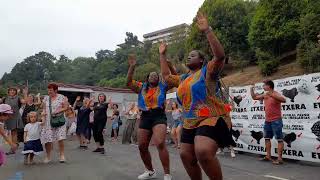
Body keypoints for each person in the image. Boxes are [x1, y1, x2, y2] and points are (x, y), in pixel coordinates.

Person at [160, 12, 233, 180]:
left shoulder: (207, 71)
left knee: (203, 151)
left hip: (211, 117)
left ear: (201, 60)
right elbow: (166, 77)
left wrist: (207, 30)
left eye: (193, 55)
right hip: (189, 122)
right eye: (188, 55)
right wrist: (162, 55)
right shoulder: (184, 79)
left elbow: (220, 56)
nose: (189, 56)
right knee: (186, 155)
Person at [127, 54, 173, 180]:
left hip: (158, 116)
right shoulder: (141, 87)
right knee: (142, 145)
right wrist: (132, 67)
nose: (154, 76)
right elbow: (128, 82)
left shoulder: (163, 86)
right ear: (147, 78)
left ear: (158, 79)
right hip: (145, 116)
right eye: (151, 75)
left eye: (156, 75)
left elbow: (171, 78)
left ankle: (167, 173)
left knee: (159, 143)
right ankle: (150, 171)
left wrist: (167, 63)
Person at [250, 80, 286, 165]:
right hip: (267, 121)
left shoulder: (275, 93)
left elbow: (283, 100)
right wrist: (251, 89)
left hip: (276, 120)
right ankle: (268, 156)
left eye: (264, 85)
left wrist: (272, 95)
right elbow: (254, 97)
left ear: (269, 86)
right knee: (266, 138)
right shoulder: (265, 94)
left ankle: (280, 159)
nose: (263, 87)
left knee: (279, 139)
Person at [40, 83, 69, 163]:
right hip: (48, 121)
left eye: (51, 90)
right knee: (48, 139)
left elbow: (66, 108)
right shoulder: (46, 98)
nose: (49, 91)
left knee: (60, 138)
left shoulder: (61, 97)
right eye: (48, 90)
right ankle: (48, 156)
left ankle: (62, 155)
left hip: (59, 120)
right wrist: (42, 117)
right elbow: (43, 109)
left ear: (56, 90)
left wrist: (58, 111)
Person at [2, 87, 25, 155]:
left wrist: (25, 94)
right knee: (9, 132)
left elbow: (24, 101)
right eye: (10, 90)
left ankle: (13, 148)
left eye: (13, 90)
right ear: (8, 92)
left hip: (15, 117)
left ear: (15, 92)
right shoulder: (5, 99)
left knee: (13, 132)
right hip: (7, 118)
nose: (12, 91)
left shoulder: (18, 98)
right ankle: (15, 144)